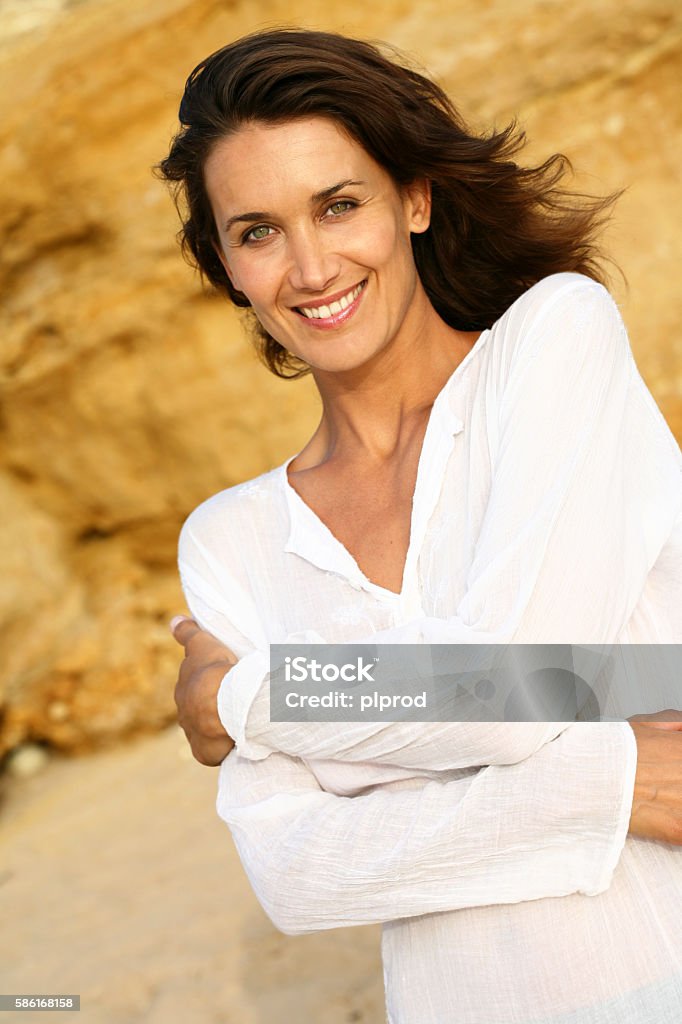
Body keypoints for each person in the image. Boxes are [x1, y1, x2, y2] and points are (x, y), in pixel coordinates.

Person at [159, 28, 682, 1024]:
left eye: (338, 204)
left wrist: (255, 698)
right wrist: (611, 783)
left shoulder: (553, 342)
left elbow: (523, 679)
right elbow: (300, 875)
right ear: (226, 265)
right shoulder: (228, 541)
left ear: (414, 197)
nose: (310, 267)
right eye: (257, 230)